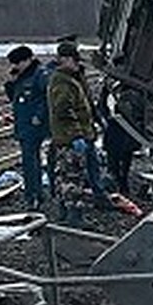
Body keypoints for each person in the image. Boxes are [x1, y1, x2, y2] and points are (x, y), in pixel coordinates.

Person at [46, 38, 108, 222]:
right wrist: (77, 135)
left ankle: (67, 214)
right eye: (74, 60)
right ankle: (74, 217)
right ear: (65, 60)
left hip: (73, 137)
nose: (77, 63)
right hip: (70, 139)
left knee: (69, 177)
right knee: (72, 179)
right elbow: (63, 110)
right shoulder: (63, 82)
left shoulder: (70, 79)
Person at [4, 44, 51, 210]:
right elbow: (14, 99)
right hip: (23, 125)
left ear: (28, 60)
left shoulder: (40, 74)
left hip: (33, 125)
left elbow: (48, 97)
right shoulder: (22, 76)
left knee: (30, 162)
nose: (15, 67)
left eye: (18, 63)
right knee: (30, 161)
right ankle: (35, 194)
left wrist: (39, 116)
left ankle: (34, 196)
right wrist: (10, 84)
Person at [99, 82, 145, 196]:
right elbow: (102, 107)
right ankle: (119, 185)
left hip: (122, 130)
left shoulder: (131, 91)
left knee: (121, 161)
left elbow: (102, 107)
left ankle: (121, 185)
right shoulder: (132, 90)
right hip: (120, 130)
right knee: (119, 161)